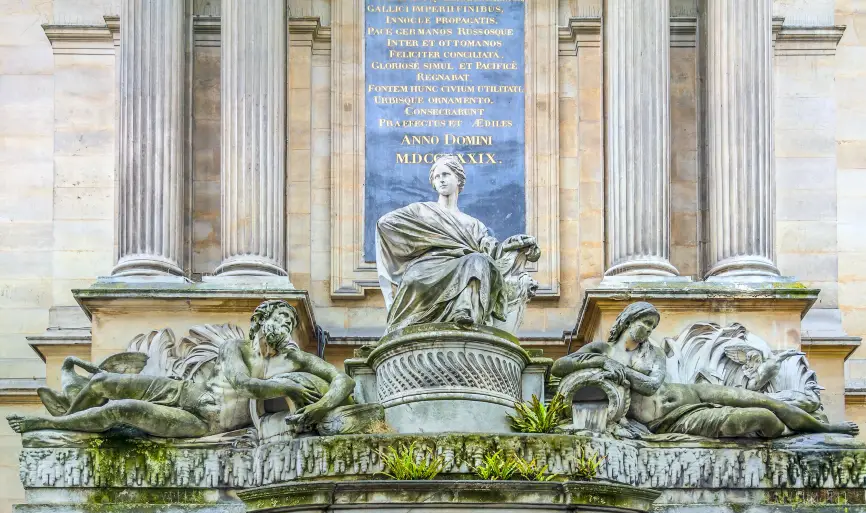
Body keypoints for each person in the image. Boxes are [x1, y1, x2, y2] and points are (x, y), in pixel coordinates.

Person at [7, 300, 356, 438]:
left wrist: (318, 406)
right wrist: (291, 389)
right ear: (260, 322)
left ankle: (47, 423)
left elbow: (342, 381)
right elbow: (240, 382)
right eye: (279, 317)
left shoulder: (295, 360)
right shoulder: (236, 347)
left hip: (206, 420)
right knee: (106, 383)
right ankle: (69, 414)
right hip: (188, 391)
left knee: (123, 410)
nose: (285, 324)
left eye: (289, 320)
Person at [551, 302, 859, 438]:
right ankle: (788, 432)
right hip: (673, 419)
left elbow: (651, 383)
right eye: (642, 322)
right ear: (625, 322)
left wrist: (623, 373)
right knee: (762, 417)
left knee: (765, 400)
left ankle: (824, 428)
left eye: (651, 325)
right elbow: (558, 367)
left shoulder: (654, 354)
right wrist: (603, 363)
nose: (646, 329)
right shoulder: (601, 351)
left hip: (692, 393)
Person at [375, 154, 540, 335]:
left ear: (458, 179)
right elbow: (386, 223)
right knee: (471, 262)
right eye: (437, 177)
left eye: (446, 175)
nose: (441, 180)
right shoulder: (422, 211)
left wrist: (515, 244)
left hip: (467, 264)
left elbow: (492, 250)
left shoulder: (473, 224)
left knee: (478, 261)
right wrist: (428, 239)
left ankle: (465, 311)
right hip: (427, 267)